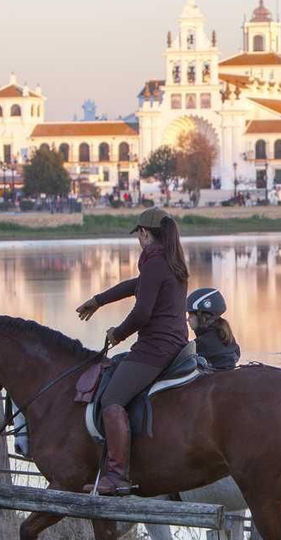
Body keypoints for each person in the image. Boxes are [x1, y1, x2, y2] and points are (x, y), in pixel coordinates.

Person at [74, 207, 190, 495]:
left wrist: (117, 334)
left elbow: (141, 314)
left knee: (112, 399)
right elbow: (135, 286)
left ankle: (116, 475)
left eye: (138, 234)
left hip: (154, 348)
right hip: (175, 344)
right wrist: (98, 300)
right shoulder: (171, 260)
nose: (138, 239)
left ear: (144, 232)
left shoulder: (154, 261)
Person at [187, 286, 241, 371]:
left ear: (202, 317)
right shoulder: (226, 337)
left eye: (191, 315)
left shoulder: (203, 343)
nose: (188, 319)